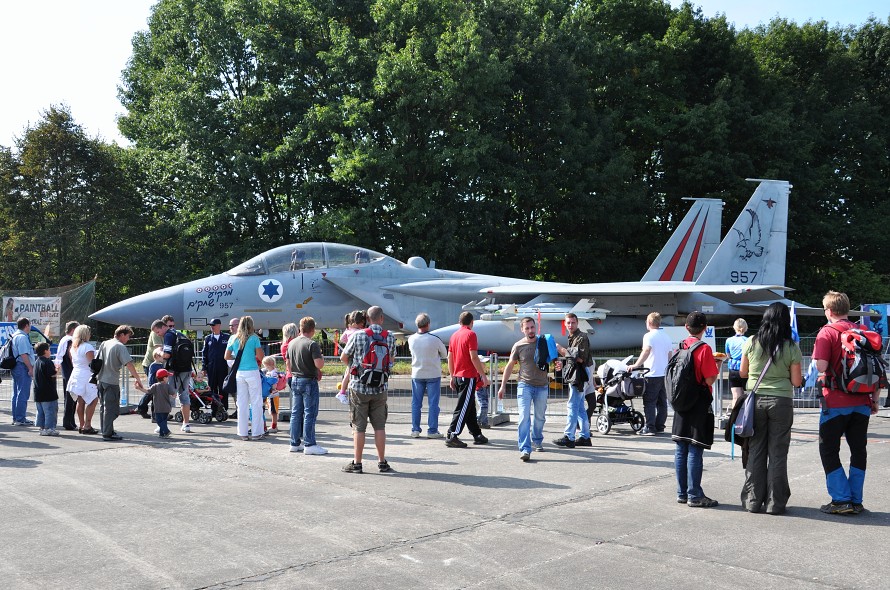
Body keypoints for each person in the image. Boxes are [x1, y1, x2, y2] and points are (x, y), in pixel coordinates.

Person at [813, 290, 881, 515]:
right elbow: (876, 368)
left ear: (829, 311)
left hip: (835, 402)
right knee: (858, 449)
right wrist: (874, 399)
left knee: (829, 449)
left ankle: (841, 500)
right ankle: (856, 499)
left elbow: (821, 367)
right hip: (862, 400)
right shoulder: (864, 331)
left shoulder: (827, 332)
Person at [739, 303, 802, 514]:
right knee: (778, 453)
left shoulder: (751, 341)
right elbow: (796, 381)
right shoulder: (791, 347)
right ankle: (775, 503)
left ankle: (753, 501)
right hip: (781, 402)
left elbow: (743, 373)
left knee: (755, 450)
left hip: (754, 401)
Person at [672, 311, 719, 508]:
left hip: (680, 402)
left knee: (681, 448)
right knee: (695, 449)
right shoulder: (704, 349)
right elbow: (709, 378)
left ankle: (682, 492)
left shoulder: (681, 346)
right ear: (705, 329)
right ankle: (695, 494)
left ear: (686, 327)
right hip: (698, 403)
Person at [340, 306, 395, 473]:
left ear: (367, 319)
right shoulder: (390, 337)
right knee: (379, 427)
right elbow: (391, 360)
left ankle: (357, 463)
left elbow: (344, 357)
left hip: (359, 387)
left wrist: (354, 368)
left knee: (359, 427)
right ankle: (382, 462)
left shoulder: (358, 335)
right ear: (382, 318)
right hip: (380, 388)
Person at [497, 317, 549, 461]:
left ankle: (537, 439)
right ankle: (525, 449)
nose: (530, 331)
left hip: (542, 386)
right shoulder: (518, 346)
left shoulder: (544, 342)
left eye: (532, 327)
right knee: (524, 417)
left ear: (535, 327)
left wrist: (559, 364)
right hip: (524, 385)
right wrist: (503, 386)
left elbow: (555, 356)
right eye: (527, 328)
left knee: (539, 418)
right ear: (522, 330)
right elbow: (510, 365)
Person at [444, 312, 490, 449]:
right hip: (468, 376)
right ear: (472, 322)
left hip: (458, 376)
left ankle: (477, 434)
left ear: (459, 322)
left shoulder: (454, 336)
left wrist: (452, 376)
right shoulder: (471, 335)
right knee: (463, 407)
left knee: (469, 406)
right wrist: (482, 375)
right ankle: (452, 434)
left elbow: (449, 357)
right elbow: (474, 357)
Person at [627, 312, 672, 436]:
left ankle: (650, 427)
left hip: (652, 373)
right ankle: (660, 425)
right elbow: (669, 355)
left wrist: (636, 365)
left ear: (650, 323)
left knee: (650, 402)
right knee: (662, 402)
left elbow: (646, 351)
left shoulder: (648, 336)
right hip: (664, 373)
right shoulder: (666, 336)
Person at [95, 325, 143, 441]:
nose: (127, 339)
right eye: (127, 336)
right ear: (121, 335)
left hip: (101, 379)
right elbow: (129, 364)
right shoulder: (120, 346)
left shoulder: (105, 343)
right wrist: (137, 378)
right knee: (112, 409)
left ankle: (107, 430)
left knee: (104, 407)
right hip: (111, 381)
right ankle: (107, 433)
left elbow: (97, 360)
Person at [288, 317, 328, 455]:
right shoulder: (312, 344)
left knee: (296, 413)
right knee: (310, 413)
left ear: (300, 328)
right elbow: (319, 364)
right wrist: (321, 358)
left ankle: (294, 442)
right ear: (312, 329)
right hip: (308, 380)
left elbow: (288, 363)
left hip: (295, 379)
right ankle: (310, 444)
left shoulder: (292, 343)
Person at [554, 312, 592, 448]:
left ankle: (569, 437)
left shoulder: (582, 337)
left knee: (572, 405)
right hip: (577, 372)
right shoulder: (573, 337)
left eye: (573, 322)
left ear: (577, 323)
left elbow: (580, 358)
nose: (570, 325)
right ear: (565, 323)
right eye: (568, 322)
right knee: (580, 407)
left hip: (580, 373)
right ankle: (585, 437)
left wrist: (560, 349)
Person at [224, 315, 265, 440]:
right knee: (256, 403)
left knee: (241, 403)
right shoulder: (254, 338)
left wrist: (237, 359)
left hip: (239, 373)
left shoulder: (233, 338)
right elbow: (260, 356)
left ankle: (243, 433)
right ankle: (257, 432)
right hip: (252, 371)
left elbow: (226, 356)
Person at [408, 312, 447, 438]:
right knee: (433, 403)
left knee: (416, 403)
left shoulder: (411, 339)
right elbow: (444, 354)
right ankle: (432, 430)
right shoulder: (435, 339)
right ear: (428, 324)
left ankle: (415, 429)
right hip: (433, 373)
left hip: (417, 373)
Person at [152, 318, 193, 433]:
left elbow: (166, 355)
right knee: (184, 397)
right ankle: (186, 424)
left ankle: (162, 426)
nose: (158, 334)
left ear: (162, 327)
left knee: (167, 398)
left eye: (157, 332)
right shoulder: (179, 334)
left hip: (174, 372)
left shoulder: (169, 336)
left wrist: (158, 351)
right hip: (187, 369)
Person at [66, 324, 98, 435]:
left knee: (81, 400)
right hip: (86, 375)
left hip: (76, 374)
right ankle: (87, 425)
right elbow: (92, 363)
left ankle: (81, 424)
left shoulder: (73, 347)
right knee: (93, 399)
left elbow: (73, 362)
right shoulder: (87, 347)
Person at [9, 317, 36, 426]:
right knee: (23, 394)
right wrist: (30, 368)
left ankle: (17, 417)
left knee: (16, 393)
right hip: (22, 366)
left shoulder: (15, 335)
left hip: (17, 366)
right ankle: (20, 418)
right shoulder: (22, 337)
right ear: (26, 325)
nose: (30, 327)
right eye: (29, 325)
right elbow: (24, 354)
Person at [136, 368, 175, 438]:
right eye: (167, 377)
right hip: (166, 407)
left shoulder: (155, 386)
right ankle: (162, 434)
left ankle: (166, 431)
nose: (168, 378)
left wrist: (139, 388)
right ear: (164, 378)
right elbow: (173, 394)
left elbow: (147, 391)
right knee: (163, 420)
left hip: (158, 407)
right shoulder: (168, 386)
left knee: (158, 420)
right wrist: (173, 395)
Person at [337, 310, 366, 404]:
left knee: (347, 374)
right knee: (348, 375)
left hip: (349, 354)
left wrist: (348, 343)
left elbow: (342, 339)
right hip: (354, 355)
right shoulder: (359, 332)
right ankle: (342, 392)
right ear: (360, 322)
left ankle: (343, 391)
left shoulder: (348, 330)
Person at [201, 318, 230, 411]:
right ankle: (214, 408)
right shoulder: (208, 338)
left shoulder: (226, 337)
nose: (212, 327)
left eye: (213, 325)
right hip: (211, 367)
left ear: (219, 326)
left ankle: (224, 407)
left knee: (223, 388)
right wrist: (203, 367)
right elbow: (204, 354)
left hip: (223, 367)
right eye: (211, 326)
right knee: (212, 388)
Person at [55, 321, 79, 430]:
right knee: (71, 398)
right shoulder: (70, 340)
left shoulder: (63, 339)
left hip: (66, 371)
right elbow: (71, 356)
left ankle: (70, 421)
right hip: (70, 371)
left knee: (69, 397)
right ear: (73, 330)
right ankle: (68, 421)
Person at [34, 342, 59, 436]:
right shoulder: (48, 362)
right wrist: (57, 369)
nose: (49, 351)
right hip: (48, 392)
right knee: (50, 410)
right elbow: (52, 374)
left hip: (38, 391)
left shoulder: (37, 362)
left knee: (41, 411)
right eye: (48, 349)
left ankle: (42, 427)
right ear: (45, 351)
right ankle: (49, 428)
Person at [725, 318, 749, 412]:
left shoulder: (729, 340)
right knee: (747, 395)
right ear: (745, 327)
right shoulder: (747, 340)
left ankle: (734, 418)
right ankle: (746, 417)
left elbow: (728, 355)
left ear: (734, 327)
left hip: (732, 369)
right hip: (744, 369)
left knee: (736, 396)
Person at [137, 347, 164, 418]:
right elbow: (152, 376)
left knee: (155, 400)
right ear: (157, 356)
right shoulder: (154, 365)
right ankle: (143, 410)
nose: (163, 358)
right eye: (162, 356)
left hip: (158, 385)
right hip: (153, 385)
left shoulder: (161, 365)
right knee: (150, 398)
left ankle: (156, 414)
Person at [260, 356, 280, 434]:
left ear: (269, 364)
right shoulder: (269, 372)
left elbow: (274, 383)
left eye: (265, 364)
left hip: (273, 394)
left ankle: (274, 426)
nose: (265, 366)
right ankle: (274, 425)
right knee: (271, 410)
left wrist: (271, 389)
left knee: (273, 411)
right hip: (270, 394)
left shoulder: (273, 373)